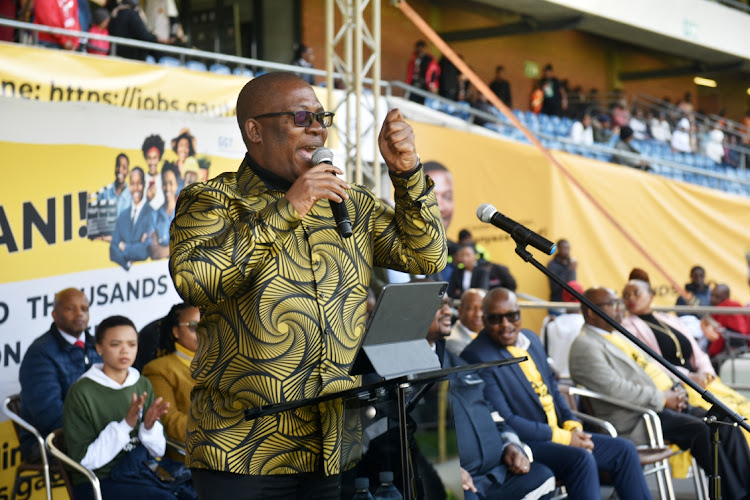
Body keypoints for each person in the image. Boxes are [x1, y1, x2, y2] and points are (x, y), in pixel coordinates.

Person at [168, 72, 447, 497]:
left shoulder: (348, 201)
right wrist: (290, 206)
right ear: (255, 130)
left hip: (333, 447)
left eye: (322, 116)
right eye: (301, 116)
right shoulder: (212, 200)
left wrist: (406, 173)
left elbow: (426, 255)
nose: (317, 126)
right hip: (244, 451)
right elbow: (195, 280)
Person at [462, 288, 651, 499]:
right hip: (526, 442)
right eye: (495, 319)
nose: (505, 324)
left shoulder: (530, 339)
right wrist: (565, 438)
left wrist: (573, 425)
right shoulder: (477, 355)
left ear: (520, 314)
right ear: (485, 320)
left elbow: (552, 389)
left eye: (512, 316)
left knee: (624, 450)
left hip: (559, 434)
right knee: (581, 458)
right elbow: (507, 420)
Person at [569, 287, 750, 500]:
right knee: (703, 430)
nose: (620, 308)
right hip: (635, 417)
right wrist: (662, 398)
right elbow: (616, 389)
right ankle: (734, 496)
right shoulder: (585, 345)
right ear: (590, 311)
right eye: (613, 303)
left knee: (725, 420)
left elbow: (649, 371)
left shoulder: (614, 337)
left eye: (619, 303)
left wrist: (675, 391)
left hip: (656, 407)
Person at [427, 295, 556, 499]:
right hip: (457, 479)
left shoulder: (456, 361)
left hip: (497, 472)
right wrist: (442, 470)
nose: (447, 312)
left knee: (542, 477)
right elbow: (400, 434)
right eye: (438, 305)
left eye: (449, 305)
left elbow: (491, 412)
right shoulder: (400, 372)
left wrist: (510, 445)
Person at [621, 279, 750, 445]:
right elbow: (651, 364)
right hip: (681, 385)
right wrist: (689, 376)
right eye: (626, 295)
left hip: (702, 381)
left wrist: (706, 372)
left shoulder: (669, 319)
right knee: (730, 419)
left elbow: (697, 350)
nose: (631, 298)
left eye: (636, 293)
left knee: (744, 409)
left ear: (651, 296)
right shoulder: (628, 327)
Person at [63, 315, 175, 500]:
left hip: (140, 471)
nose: (125, 351)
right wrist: (126, 425)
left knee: (195, 490)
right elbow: (83, 461)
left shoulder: (140, 383)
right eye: (115, 344)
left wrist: (149, 427)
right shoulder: (81, 392)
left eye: (132, 344)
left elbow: (158, 451)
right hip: (99, 481)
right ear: (99, 348)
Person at [18, 288, 101, 462]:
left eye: (84, 309)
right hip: (50, 440)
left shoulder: (97, 345)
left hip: (93, 432)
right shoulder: (40, 354)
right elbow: (49, 414)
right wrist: (98, 430)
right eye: (71, 309)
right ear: (55, 314)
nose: (79, 314)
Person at [143, 303, 199, 450]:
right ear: (176, 331)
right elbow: (169, 421)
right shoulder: (158, 370)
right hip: (194, 455)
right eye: (194, 326)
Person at [110, 167, 156, 270]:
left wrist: (123, 246)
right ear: (129, 186)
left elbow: (145, 251)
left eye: (139, 183)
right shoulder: (122, 216)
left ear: (144, 184)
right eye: (132, 184)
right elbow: (113, 250)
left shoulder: (152, 214)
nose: (136, 188)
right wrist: (127, 264)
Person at [705, 283, 750, 359]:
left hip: (731, 350)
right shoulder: (738, 307)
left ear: (725, 298)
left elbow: (719, 337)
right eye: (712, 295)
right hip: (744, 348)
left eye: (717, 297)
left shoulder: (723, 309)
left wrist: (711, 355)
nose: (712, 299)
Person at [148, 162, 181, 260]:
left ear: (177, 185)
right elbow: (154, 252)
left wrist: (164, 249)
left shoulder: (185, 215)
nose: (167, 188)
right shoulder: (154, 216)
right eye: (164, 183)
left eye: (171, 183)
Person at [445, 288, 485, 356]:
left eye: (483, 309)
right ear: (460, 311)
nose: (478, 314)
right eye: (471, 308)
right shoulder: (453, 342)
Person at [406, 40, 439, 104]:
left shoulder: (429, 59)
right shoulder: (414, 58)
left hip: (424, 84)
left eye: (422, 48)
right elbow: (410, 72)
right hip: (414, 83)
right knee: (411, 101)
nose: (420, 50)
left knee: (422, 102)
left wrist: (432, 84)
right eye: (418, 48)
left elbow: (434, 72)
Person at [546, 239, 576, 306]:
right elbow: (555, 287)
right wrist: (569, 270)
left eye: (568, 248)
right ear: (558, 248)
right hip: (557, 302)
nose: (567, 251)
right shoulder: (552, 264)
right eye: (565, 248)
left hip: (570, 303)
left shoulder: (570, 262)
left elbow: (573, 284)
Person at [142, 134, 166, 211]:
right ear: (146, 158)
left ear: (159, 158)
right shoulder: (142, 180)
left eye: (155, 158)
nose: (152, 162)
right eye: (149, 158)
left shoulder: (164, 180)